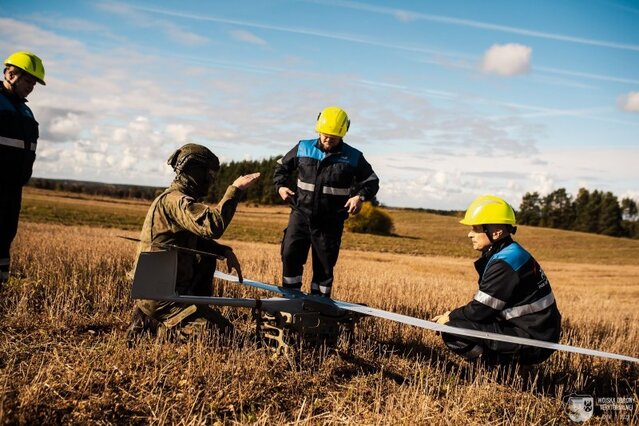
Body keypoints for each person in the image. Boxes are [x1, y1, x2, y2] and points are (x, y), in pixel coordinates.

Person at [127, 143, 260, 340]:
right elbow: (212, 226)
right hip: (164, 298)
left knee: (206, 259)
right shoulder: (175, 201)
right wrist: (235, 190)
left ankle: (157, 320)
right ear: (194, 171)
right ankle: (161, 328)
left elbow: (194, 240)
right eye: (208, 174)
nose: (210, 180)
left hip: (166, 292)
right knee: (227, 337)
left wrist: (224, 251)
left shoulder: (173, 199)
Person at [432, 195, 561, 365]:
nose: (470, 234)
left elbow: (480, 310)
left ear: (496, 232)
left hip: (531, 339)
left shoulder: (504, 262)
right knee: (458, 323)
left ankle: (498, 371)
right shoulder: (510, 253)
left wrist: (449, 318)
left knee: (452, 330)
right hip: (534, 331)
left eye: (476, 228)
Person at [273, 106, 379, 298]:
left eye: (333, 136)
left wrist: (359, 196)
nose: (328, 139)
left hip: (330, 222)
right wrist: (280, 187)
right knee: (290, 255)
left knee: (324, 267)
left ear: (343, 134)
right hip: (300, 216)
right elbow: (280, 169)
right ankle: (289, 300)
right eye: (324, 134)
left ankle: (319, 308)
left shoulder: (354, 157)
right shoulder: (303, 147)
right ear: (318, 130)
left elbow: (372, 181)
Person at [0, 52, 46, 286]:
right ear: (10, 73)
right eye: (28, 81)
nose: (31, 87)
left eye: (34, 83)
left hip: (12, 190)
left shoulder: (25, 112)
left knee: (4, 239)